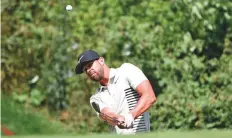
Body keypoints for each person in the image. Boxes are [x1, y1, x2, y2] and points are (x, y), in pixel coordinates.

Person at [75, 50, 156, 135]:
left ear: (101, 60)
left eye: (90, 65)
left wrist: (130, 117)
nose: (88, 70)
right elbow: (107, 114)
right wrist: (117, 119)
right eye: (85, 70)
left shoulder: (126, 70)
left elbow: (149, 96)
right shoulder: (95, 98)